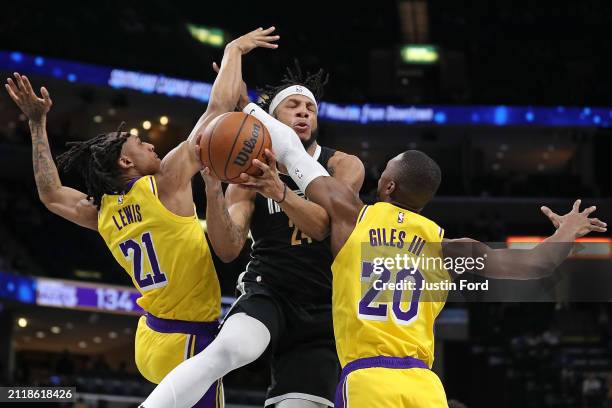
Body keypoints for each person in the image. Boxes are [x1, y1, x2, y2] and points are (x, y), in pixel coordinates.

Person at [233, 104, 607, 407]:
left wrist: (250, 108)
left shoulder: (352, 216)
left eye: (385, 172)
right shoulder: (446, 248)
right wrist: (567, 231)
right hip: (425, 387)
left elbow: (293, 153)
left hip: (368, 380)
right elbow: (535, 265)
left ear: (388, 185)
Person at [4, 26, 279, 408]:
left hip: (149, 338)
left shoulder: (102, 211)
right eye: (140, 142)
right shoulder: (165, 182)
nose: (151, 143)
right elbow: (216, 113)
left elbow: (50, 194)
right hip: (187, 337)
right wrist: (235, 50)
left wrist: (37, 125)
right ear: (125, 161)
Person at [141, 57, 363, 408]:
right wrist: (213, 190)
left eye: (310, 108)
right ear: (272, 120)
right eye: (293, 106)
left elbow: (324, 226)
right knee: (231, 349)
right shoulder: (244, 174)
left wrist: (281, 193)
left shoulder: (342, 165)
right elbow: (228, 248)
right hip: (269, 289)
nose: (304, 112)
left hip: (324, 304)